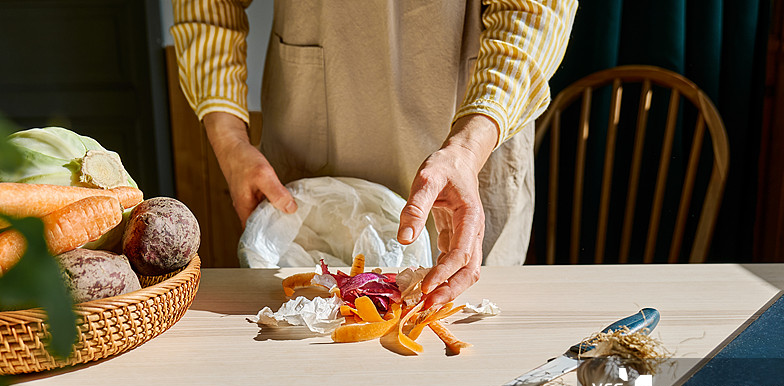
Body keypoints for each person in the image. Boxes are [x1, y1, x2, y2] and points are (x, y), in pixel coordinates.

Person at [171, 0, 577, 306]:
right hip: (313, 140)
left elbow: (534, 12)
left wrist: (469, 145)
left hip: (474, 138)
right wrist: (229, 139)